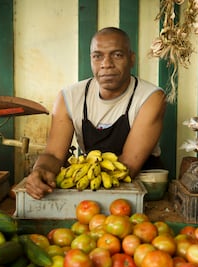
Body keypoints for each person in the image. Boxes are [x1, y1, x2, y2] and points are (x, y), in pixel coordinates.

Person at [26, 27, 167, 199]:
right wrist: (41, 171)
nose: (106, 64)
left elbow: (127, 165)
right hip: (91, 187)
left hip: (144, 189)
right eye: (97, 56)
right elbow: (54, 155)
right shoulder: (69, 97)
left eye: (117, 55)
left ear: (131, 59)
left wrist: (80, 176)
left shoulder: (150, 98)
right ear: (91, 60)